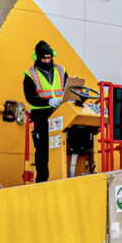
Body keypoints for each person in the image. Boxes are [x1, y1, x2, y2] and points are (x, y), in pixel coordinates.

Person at [23, 40, 71, 183]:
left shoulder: (61, 70)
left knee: (61, 145)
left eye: (49, 58)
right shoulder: (30, 74)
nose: (46, 61)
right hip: (41, 116)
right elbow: (30, 97)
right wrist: (47, 101)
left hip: (59, 113)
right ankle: (42, 179)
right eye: (43, 59)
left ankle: (62, 176)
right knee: (42, 148)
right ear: (37, 58)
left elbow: (68, 88)